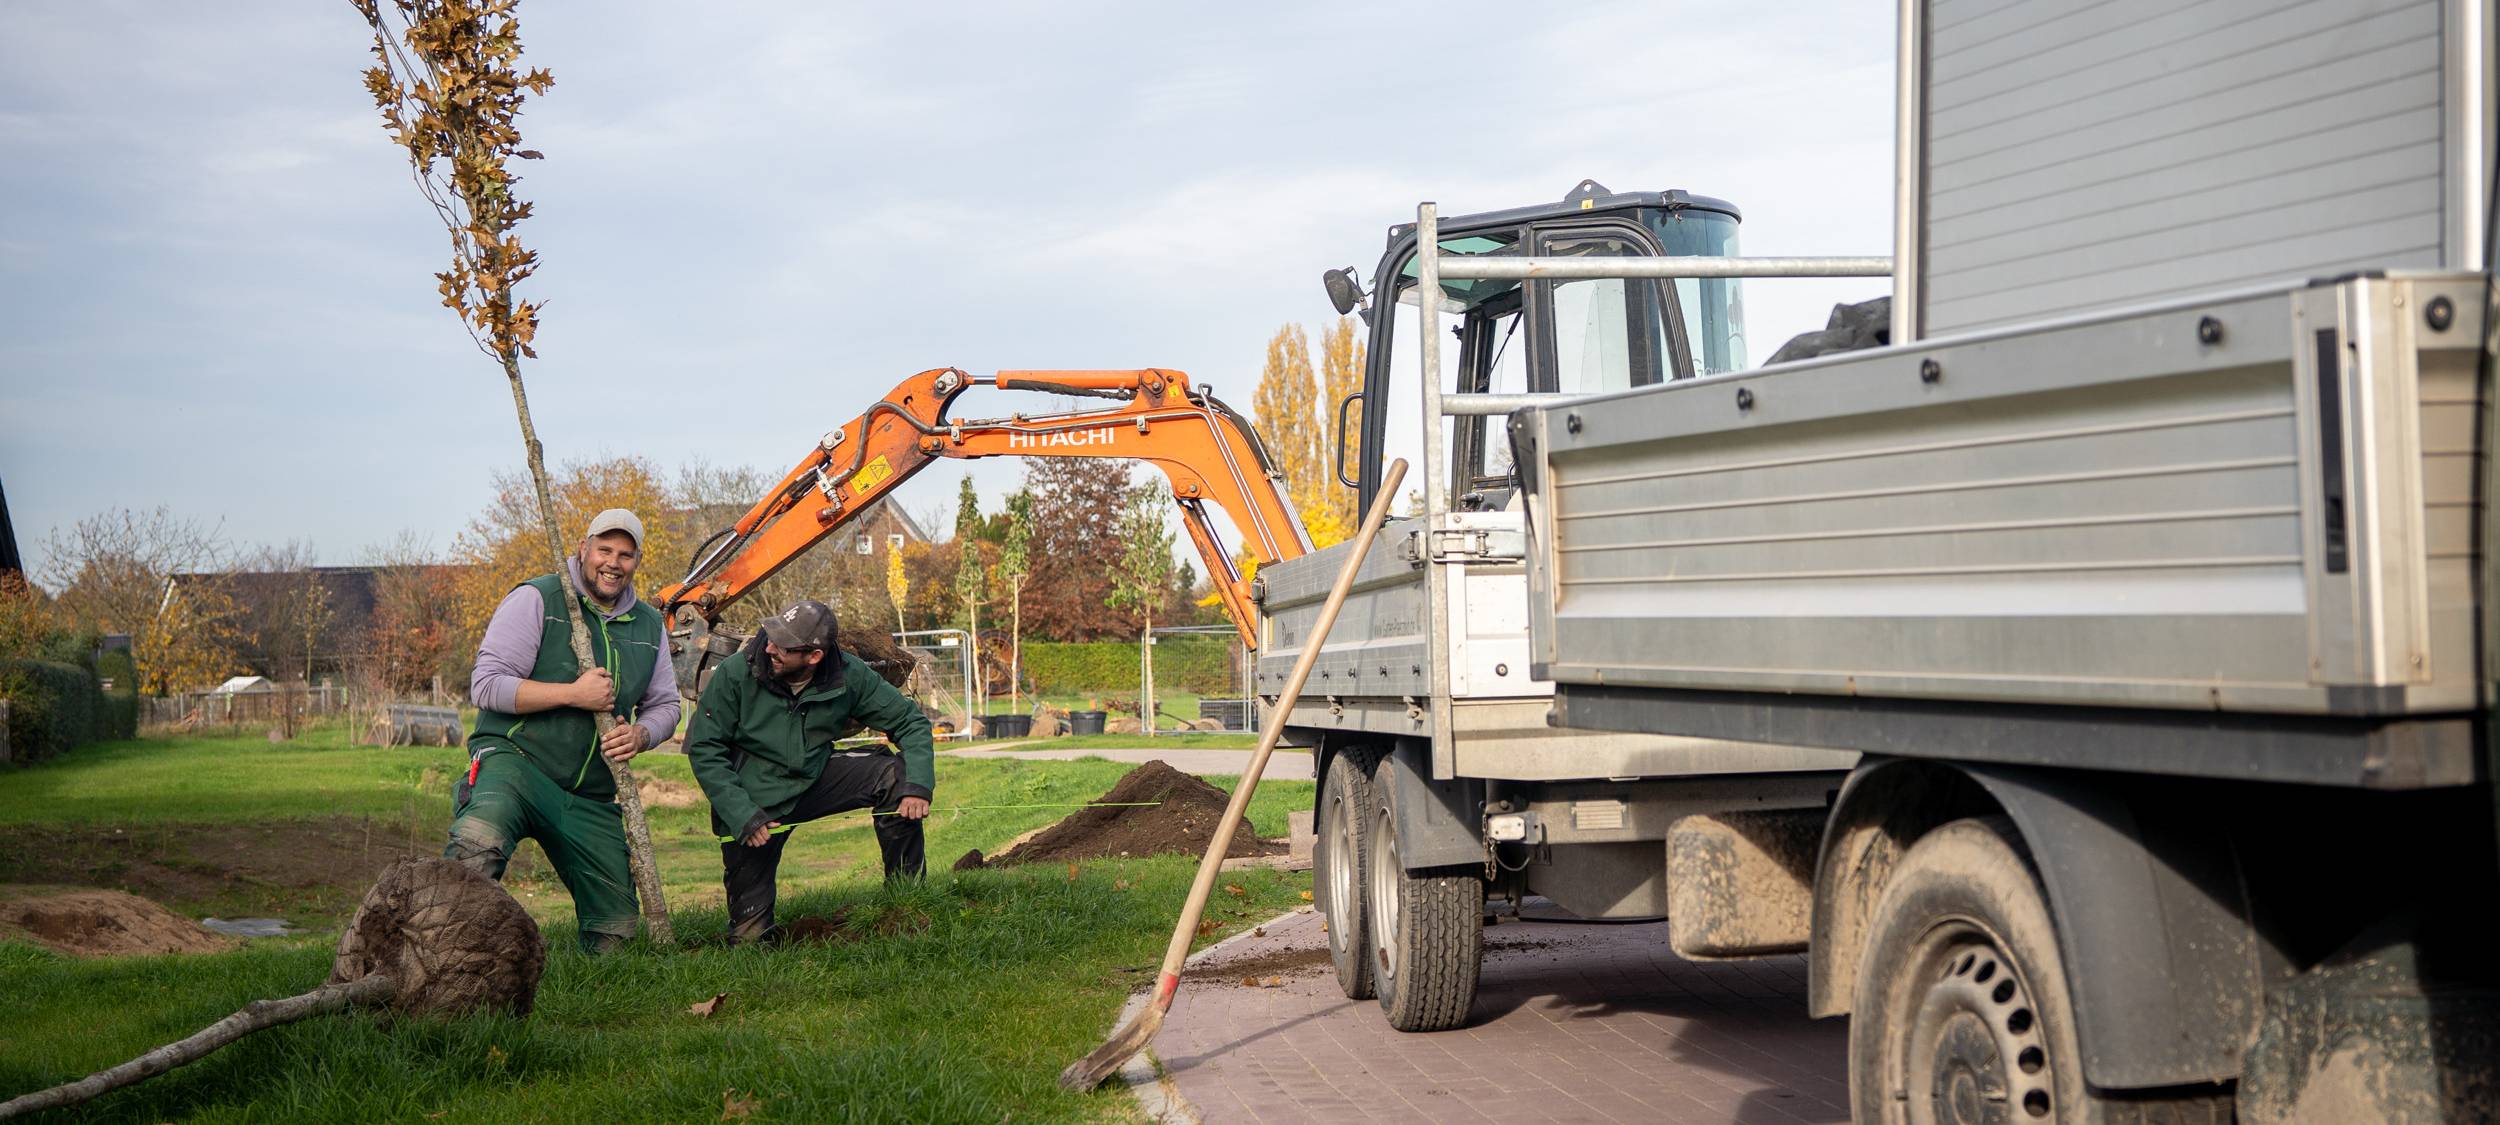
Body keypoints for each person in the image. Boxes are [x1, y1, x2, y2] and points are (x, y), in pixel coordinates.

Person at [444, 508, 680, 953]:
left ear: (637, 561)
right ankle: (439, 953)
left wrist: (642, 735)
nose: (613, 562)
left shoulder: (649, 625)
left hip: (590, 793)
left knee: (616, 935)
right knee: (478, 846)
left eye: (625, 554)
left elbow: (667, 705)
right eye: (604, 549)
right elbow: (487, 686)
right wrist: (573, 694)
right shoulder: (539, 598)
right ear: (583, 548)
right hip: (515, 766)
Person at [682, 597, 934, 945]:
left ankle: (906, 904)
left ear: (814, 656)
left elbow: (910, 722)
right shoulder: (737, 672)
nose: (770, 647)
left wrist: (919, 785)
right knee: (750, 939)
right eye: (771, 636)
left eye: (783, 645)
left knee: (895, 777)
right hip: (756, 800)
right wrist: (742, 815)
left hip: (815, 777)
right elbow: (704, 748)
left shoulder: (848, 673)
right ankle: (752, 927)